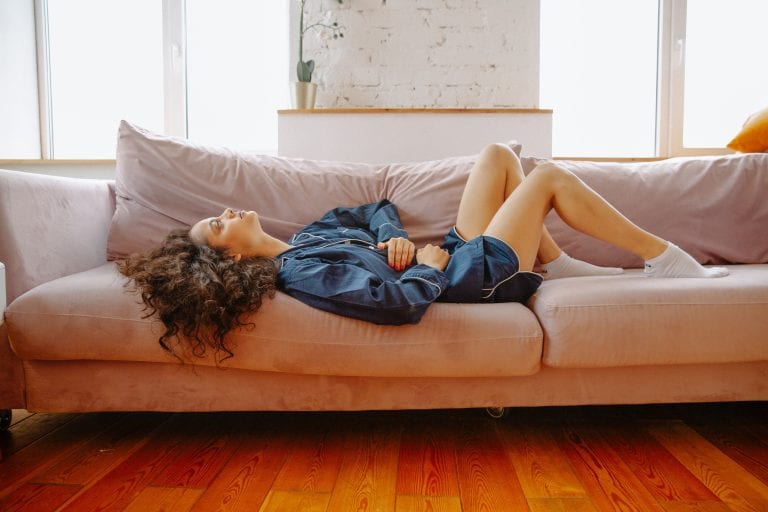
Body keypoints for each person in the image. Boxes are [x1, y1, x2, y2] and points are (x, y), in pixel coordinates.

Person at [119, 144, 727, 360]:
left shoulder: (308, 237)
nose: (227, 214)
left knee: (497, 156)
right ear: (230, 259)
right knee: (548, 180)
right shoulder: (297, 272)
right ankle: (666, 258)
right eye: (218, 227)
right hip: (466, 277)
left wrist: (392, 236)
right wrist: (429, 273)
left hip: (455, 252)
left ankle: (561, 266)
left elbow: (371, 206)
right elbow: (387, 305)